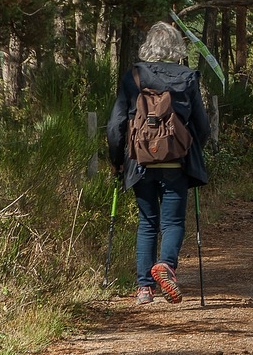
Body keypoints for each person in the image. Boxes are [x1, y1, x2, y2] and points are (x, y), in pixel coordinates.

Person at [106, 21, 211, 305]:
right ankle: (165, 265)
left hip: (140, 163)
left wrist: (117, 162)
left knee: (148, 222)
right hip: (176, 162)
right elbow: (202, 126)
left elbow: (116, 125)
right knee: (173, 221)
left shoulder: (133, 77)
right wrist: (193, 152)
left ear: (149, 45)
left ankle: (144, 288)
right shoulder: (188, 77)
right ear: (176, 47)